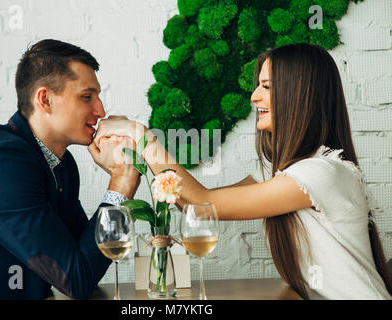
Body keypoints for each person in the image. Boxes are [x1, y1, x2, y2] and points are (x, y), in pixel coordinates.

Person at [94, 43, 392, 300]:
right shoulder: (288, 174)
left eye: (267, 87)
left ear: (299, 95)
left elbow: (199, 201)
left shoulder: (321, 174)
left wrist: (140, 135)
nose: (254, 97)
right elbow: (199, 208)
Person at [0, 39, 140, 299]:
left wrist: (121, 184)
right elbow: (75, 280)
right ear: (45, 99)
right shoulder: (1, 164)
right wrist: (121, 185)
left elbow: (85, 265)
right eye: (86, 97)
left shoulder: (62, 165)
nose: (101, 110)